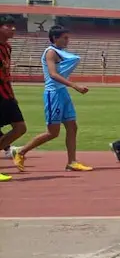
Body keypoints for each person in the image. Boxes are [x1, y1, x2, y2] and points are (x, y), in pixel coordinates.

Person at [12, 25, 93, 173]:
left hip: (62, 93)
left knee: (72, 127)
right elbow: (53, 74)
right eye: (65, 38)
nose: (68, 41)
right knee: (52, 132)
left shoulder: (61, 53)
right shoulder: (50, 52)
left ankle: (72, 162)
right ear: (55, 38)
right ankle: (21, 151)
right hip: (53, 94)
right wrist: (74, 85)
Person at [0, 15, 26, 182]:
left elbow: (6, 74)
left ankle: (8, 149)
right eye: (8, 26)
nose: (13, 29)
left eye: (14, 26)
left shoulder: (7, 48)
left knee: (20, 128)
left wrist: (12, 95)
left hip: (6, 94)